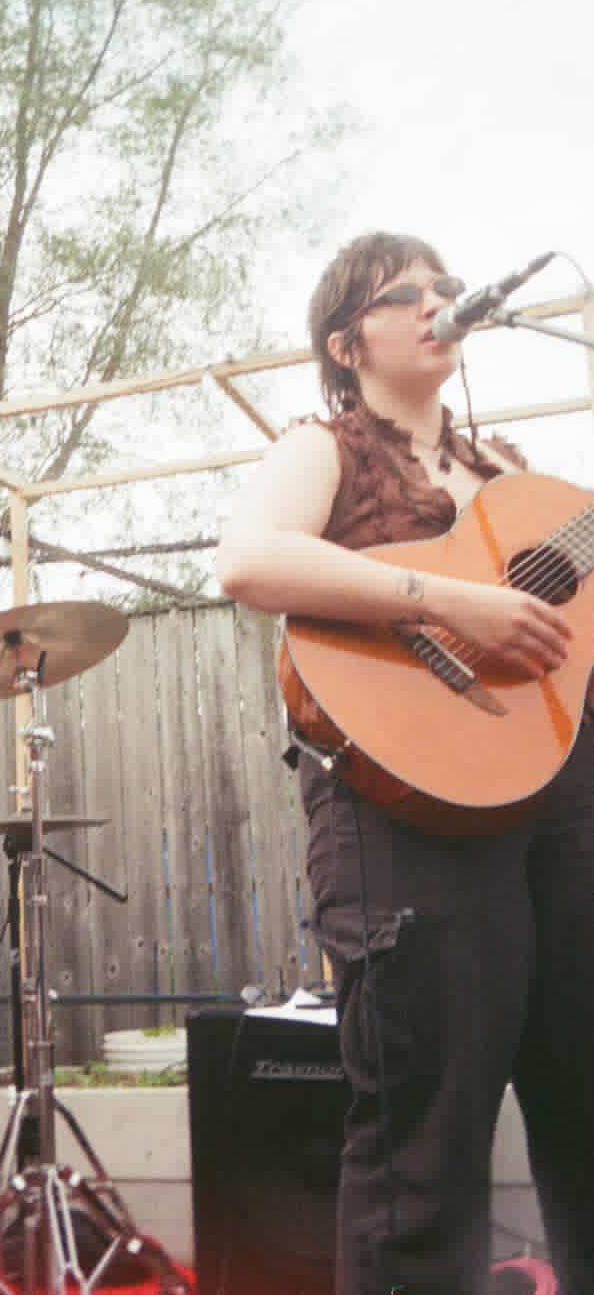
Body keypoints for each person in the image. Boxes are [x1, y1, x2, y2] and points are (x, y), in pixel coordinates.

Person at [214, 231, 593, 1295]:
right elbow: (248, 560)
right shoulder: (322, 449)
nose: (440, 301)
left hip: (562, 795)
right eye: (408, 292)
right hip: (402, 806)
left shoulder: (515, 476)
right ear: (347, 343)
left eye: (446, 285)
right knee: (421, 1145)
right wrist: (453, 601)